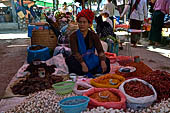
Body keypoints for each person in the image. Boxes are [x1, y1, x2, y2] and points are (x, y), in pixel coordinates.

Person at [65, 9, 110, 76]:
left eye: (84, 22)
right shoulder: (73, 36)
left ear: (89, 24)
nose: (82, 24)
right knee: (70, 61)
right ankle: (91, 71)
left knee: (106, 61)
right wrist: (83, 64)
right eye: (80, 22)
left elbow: (100, 50)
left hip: (90, 58)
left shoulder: (93, 35)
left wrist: (102, 61)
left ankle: (87, 71)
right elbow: (75, 52)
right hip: (79, 60)